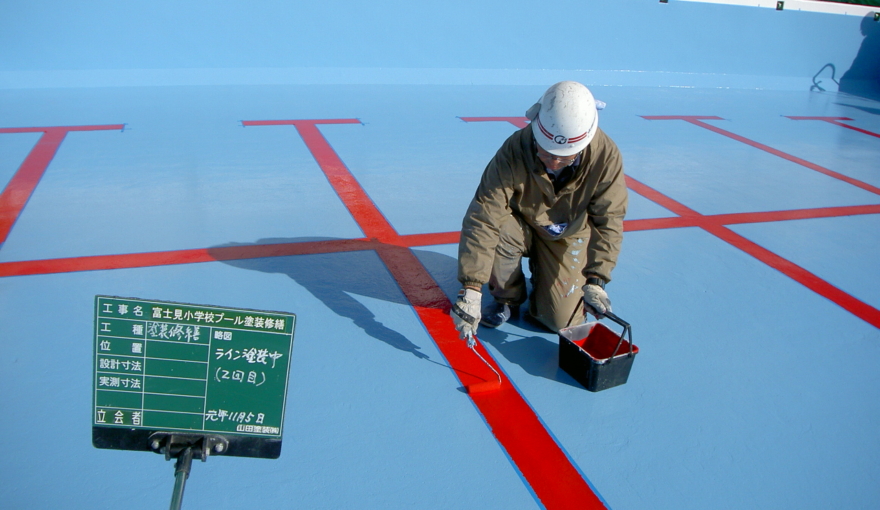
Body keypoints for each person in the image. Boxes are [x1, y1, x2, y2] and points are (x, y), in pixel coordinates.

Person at [451, 81, 627, 339]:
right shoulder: (514, 149)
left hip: (568, 233)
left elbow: (609, 220)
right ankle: (507, 297)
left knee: (561, 322)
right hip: (518, 225)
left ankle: (545, 280)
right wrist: (471, 287)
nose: (554, 161)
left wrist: (596, 280)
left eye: (564, 157)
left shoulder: (606, 156)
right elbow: (484, 216)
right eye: (546, 152)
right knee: (498, 228)